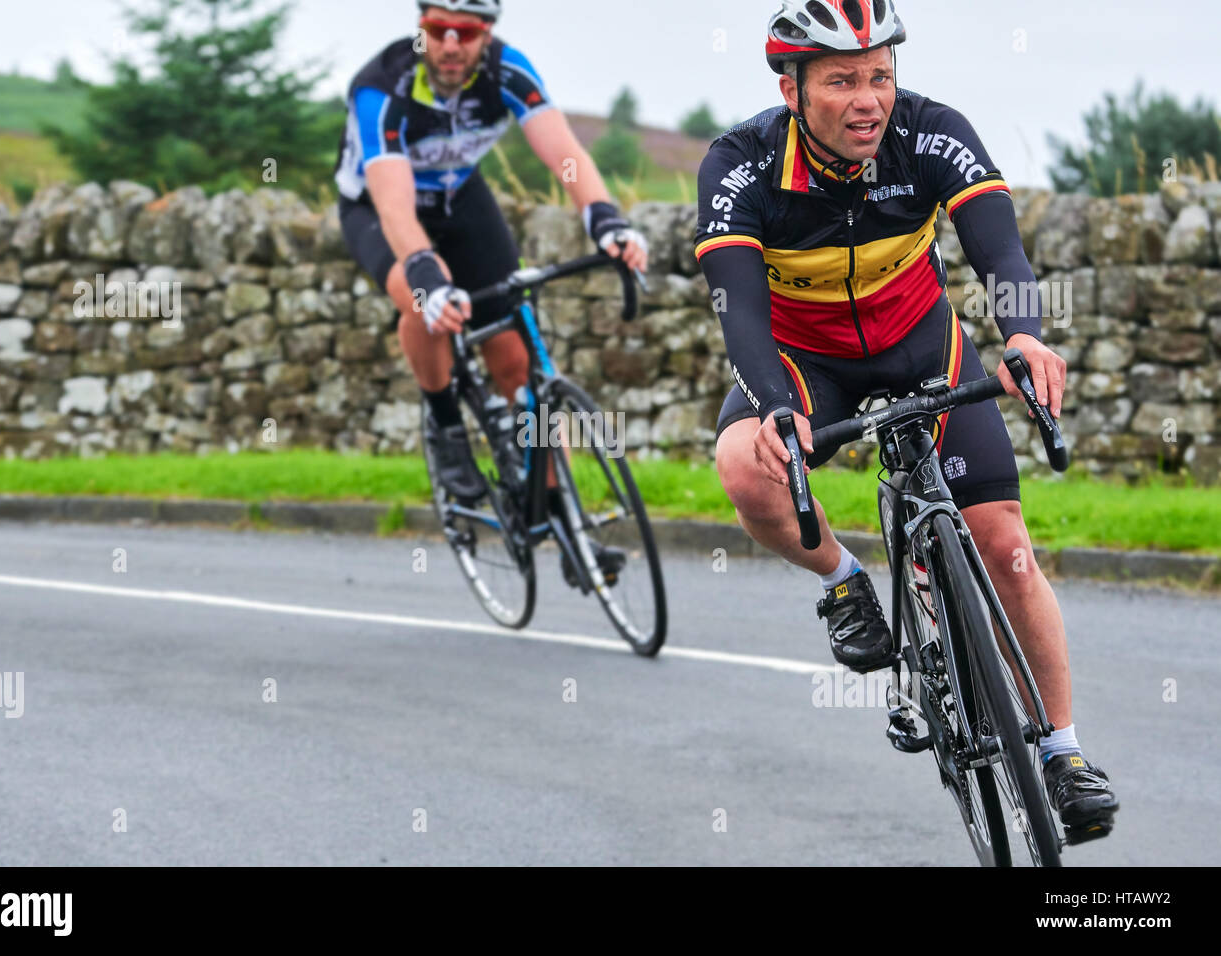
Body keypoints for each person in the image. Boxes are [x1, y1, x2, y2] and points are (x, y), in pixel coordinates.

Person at [693, 0, 1117, 838]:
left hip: (921, 344)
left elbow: (1000, 249)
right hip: (804, 363)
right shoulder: (738, 165)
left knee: (1006, 548)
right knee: (744, 464)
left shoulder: (931, 132)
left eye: (880, 76)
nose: (868, 99)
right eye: (842, 80)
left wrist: (1025, 335)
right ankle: (844, 583)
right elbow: (736, 309)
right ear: (791, 88)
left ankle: (1063, 754)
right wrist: (778, 410)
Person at [335, 0, 647, 502]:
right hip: (377, 206)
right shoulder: (381, 86)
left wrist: (605, 218)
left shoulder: (508, 70)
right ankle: (446, 427)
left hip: (461, 197)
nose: (451, 44)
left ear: (487, 33)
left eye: (466, 30)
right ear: (422, 27)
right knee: (419, 295)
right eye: (439, 29)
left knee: (516, 356)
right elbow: (396, 210)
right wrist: (428, 279)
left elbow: (565, 155)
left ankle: (561, 511)